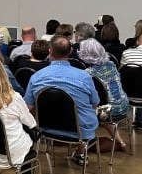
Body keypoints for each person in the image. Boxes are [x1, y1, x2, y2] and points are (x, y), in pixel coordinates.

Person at [24, 36, 99, 165]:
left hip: (46, 128)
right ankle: (81, 153)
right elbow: (95, 102)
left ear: (50, 52)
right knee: (86, 110)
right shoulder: (84, 77)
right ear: (70, 51)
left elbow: (28, 107)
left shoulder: (36, 77)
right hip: (80, 132)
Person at [79, 38, 128, 150]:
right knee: (103, 109)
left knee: (84, 110)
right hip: (123, 105)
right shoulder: (111, 64)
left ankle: (82, 146)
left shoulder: (88, 73)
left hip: (108, 110)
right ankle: (120, 141)